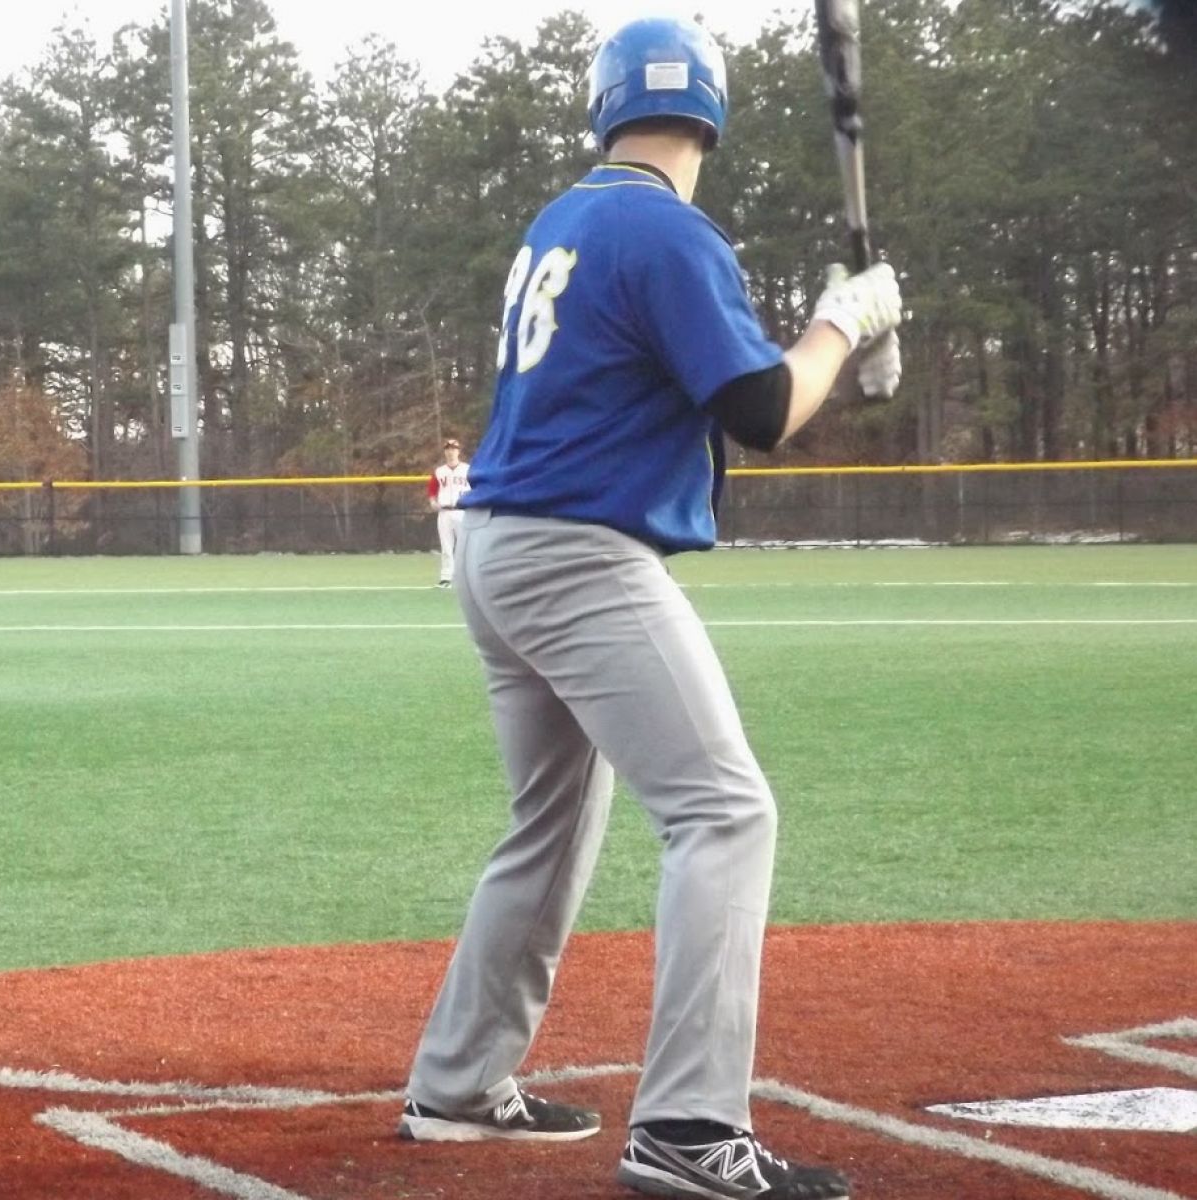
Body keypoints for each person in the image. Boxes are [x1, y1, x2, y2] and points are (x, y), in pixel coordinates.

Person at [393, 17, 901, 1200]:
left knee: (552, 825)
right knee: (726, 814)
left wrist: (844, 326)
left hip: (498, 549)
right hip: (578, 554)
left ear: (604, 105)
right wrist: (847, 321)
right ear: (710, 112)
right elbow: (763, 408)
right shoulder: (662, 229)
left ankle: (461, 1083)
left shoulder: (562, 219)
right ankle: (686, 1128)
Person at [427, 438, 471, 587]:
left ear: (459, 451)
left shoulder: (468, 469)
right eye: (448, 449)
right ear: (445, 452)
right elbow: (432, 490)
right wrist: (433, 501)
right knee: (446, 547)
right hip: (444, 512)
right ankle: (446, 578)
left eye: (453, 449)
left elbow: (477, 487)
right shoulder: (439, 471)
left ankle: (467, 578)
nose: (451, 451)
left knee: (465, 546)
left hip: (463, 511)